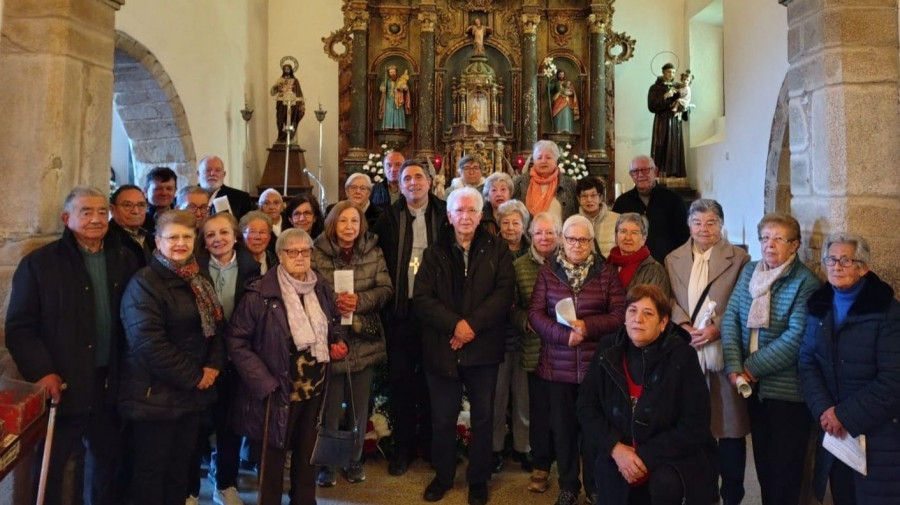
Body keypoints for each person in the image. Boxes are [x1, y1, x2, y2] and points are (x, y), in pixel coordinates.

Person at [6, 187, 141, 505]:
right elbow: (20, 328)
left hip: (112, 380)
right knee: (51, 466)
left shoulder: (126, 257)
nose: (96, 219)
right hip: (64, 382)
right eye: (86, 212)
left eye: (100, 212)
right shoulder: (40, 264)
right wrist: (43, 372)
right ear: (67, 219)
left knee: (107, 462)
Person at [226, 228, 347, 505]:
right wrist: (264, 382)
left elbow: (334, 322)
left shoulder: (320, 287)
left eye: (305, 251)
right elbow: (236, 341)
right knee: (273, 457)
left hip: (314, 388)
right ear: (280, 255)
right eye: (293, 251)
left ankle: (304, 501)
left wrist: (337, 341)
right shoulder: (260, 294)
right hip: (278, 390)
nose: (300, 257)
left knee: (307, 453)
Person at [413, 186, 515, 505]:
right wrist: (455, 325)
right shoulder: (434, 252)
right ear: (449, 216)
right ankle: (443, 476)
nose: (466, 216)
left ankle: (478, 479)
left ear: (481, 215)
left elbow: (503, 295)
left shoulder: (498, 250)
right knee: (443, 418)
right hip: (443, 347)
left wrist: (470, 326)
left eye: (472, 210)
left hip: (483, 347)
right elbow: (423, 299)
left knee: (483, 418)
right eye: (460, 211)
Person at [118, 210, 226, 505]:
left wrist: (214, 365)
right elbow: (148, 343)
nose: (180, 243)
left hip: (190, 397)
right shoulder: (145, 283)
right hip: (154, 397)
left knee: (180, 470)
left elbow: (216, 326)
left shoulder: (197, 277)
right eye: (173, 237)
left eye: (187, 237)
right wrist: (196, 375)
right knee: (151, 473)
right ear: (157, 241)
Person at [577, 284, 719, 505]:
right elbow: (587, 407)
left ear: (663, 323)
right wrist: (616, 448)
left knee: (664, 485)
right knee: (608, 478)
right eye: (632, 311)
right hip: (619, 449)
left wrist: (645, 455)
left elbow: (695, 425)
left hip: (670, 454)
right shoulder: (607, 350)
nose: (638, 319)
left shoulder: (683, 357)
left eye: (648, 313)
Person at [721, 213, 821, 505]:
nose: (770, 245)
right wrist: (734, 365)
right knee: (763, 464)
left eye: (779, 238)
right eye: (765, 237)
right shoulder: (750, 270)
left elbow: (796, 338)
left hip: (786, 391)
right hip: (752, 388)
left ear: (795, 245)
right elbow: (730, 320)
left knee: (785, 469)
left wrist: (750, 367)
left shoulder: (805, 282)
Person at [528, 215, 626, 505]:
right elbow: (535, 314)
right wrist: (562, 335)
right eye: (571, 238)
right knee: (564, 430)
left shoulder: (606, 273)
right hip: (557, 367)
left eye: (584, 239)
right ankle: (568, 485)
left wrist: (588, 327)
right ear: (562, 240)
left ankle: (594, 485)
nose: (577, 245)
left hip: (596, 367)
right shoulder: (548, 272)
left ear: (592, 242)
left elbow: (620, 315)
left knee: (595, 430)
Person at [799, 233, 900, 505]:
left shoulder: (888, 312)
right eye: (831, 259)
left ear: (863, 267)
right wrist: (825, 410)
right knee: (840, 494)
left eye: (846, 260)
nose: (837, 266)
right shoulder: (818, 306)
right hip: (833, 430)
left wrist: (843, 415)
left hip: (877, 432)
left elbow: (893, 380)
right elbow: (807, 362)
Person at [664, 199, 750, 505]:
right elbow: (670, 300)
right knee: (693, 426)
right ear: (689, 225)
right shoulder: (673, 258)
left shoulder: (739, 258)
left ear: (721, 225)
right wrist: (684, 325)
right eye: (698, 223)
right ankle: (701, 492)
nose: (704, 229)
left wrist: (718, 328)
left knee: (728, 428)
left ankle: (732, 494)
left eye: (711, 222)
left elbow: (743, 303)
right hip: (689, 350)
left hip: (722, 351)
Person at [372, 159, 449, 476]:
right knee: (402, 382)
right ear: (399, 185)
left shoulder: (445, 214)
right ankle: (403, 448)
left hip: (437, 313)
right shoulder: (388, 217)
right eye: (407, 178)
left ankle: (432, 446)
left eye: (420, 177)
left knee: (435, 382)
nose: (414, 183)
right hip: (401, 312)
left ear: (430, 182)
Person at [311, 201, 393, 487]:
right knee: (330, 408)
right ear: (333, 223)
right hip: (330, 339)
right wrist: (334, 301)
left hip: (363, 337)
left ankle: (354, 459)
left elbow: (385, 289)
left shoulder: (373, 250)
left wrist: (360, 301)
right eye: (343, 221)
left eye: (354, 222)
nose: (349, 227)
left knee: (359, 407)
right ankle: (328, 464)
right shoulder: (316, 252)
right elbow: (307, 290)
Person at [186, 212, 261, 505]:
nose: (218, 239)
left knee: (229, 427)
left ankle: (226, 484)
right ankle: (190, 489)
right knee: (196, 429)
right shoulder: (193, 269)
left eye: (223, 233)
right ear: (203, 241)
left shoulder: (250, 268)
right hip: (201, 360)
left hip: (234, 360)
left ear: (235, 236)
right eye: (210, 235)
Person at [511, 212, 560, 493]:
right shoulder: (519, 266)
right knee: (539, 412)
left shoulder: (569, 264)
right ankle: (541, 465)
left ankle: (564, 465)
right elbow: (510, 307)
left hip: (565, 352)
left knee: (563, 412)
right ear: (530, 234)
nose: (544, 238)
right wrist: (524, 321)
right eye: (539, 233)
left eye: (550, 232)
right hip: (534, 350)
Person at [490, 199, 531, 472]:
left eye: (516, 222)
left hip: (528, 334)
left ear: (524, 225)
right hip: (497, 334)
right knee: (497, 395)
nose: (510, 227)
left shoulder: (533, 250)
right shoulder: (491, 251)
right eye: (505, 222)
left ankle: (523, 447)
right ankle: (494, 448)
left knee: (524, 395)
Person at [612, 155, 689, 263]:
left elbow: (684, 236)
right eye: (635, 171)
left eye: (645, 170)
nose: (640, 175)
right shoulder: (622, 203)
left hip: (666, 264)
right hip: (631, 265)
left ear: (655, 171)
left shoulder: (673, 199)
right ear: (631, 175)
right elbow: (616, 236)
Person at [513, 140, 578, 223]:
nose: (543, 161)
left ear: (556, 160)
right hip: (528, 234)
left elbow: (576, 213)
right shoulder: (519, 183)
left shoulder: (570, 184)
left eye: (548, 157)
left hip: (560, 234)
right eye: (539, 158)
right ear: (534, 161)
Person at [606, 213, 671, 296]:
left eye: (634, 233)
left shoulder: (655, 271)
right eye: (623, 231)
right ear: (616, 236)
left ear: (644, 238)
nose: (628, 237)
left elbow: (654, 305)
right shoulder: (607, 264)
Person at [648, 63, 685, 178]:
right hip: (662, 121)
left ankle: (674, 174)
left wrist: (683, 106)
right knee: (661, 145)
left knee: (674, 146)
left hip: (675, 122)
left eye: (673, 72)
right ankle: (660, 174)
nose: (671, 74)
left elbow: (684, 100)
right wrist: (665, 97)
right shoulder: (655, 88)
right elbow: (652, 106)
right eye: (669, 72)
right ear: (663, 72)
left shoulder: (678, 87)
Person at [108, 183, 153, 265]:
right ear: (112, 209)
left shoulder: (149, 236)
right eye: (127, 205)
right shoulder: (107, 238)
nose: (135, 211)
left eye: (141, 205)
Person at [576, 176, 618, 258]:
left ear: (601, 197)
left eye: (593, 195)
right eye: (584, 196)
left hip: (611, 268)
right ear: (578, 199)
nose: (589, 200)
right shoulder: (573, 222)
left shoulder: (617, 220)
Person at [271, 61, 305, 142]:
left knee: (291, 121)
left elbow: (299, 93)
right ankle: (281, 138)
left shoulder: (295, 81)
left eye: (288, 68)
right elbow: (272, 92)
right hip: (281, 103)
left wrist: (301, 104)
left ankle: (291, 138)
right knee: (280, 120)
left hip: (292, 105)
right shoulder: (280, 80)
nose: (286, 70)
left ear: (291, 70)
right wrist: (276, 87)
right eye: (285, 68)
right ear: (283, 70)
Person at [143, 166, 178, 236]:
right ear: (146, 191)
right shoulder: (138, 216)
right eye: (158, 189)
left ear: (175, 191)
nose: (164, 193)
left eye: (169, 189)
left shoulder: (180, 216)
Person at [481, 171, 514, 236]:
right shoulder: (481, 218)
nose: (499, 194)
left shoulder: (519, 214)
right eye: (494, 190)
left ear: (510, 194)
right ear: (487, 196)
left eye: (503, 189)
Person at [379, 65, 411, 130]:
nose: (392, 74)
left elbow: (406, 88)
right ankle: (387, 127)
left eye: (393, 72)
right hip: (388, 101)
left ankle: (398, 127)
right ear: (389, 73)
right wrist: (383, 88)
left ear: (396, 72)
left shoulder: (401, 80)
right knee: (388, 112)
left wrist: (405, 87)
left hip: (398, 100)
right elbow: (381, 87)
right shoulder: (386, 81)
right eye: (391, 72)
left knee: (398, 112)